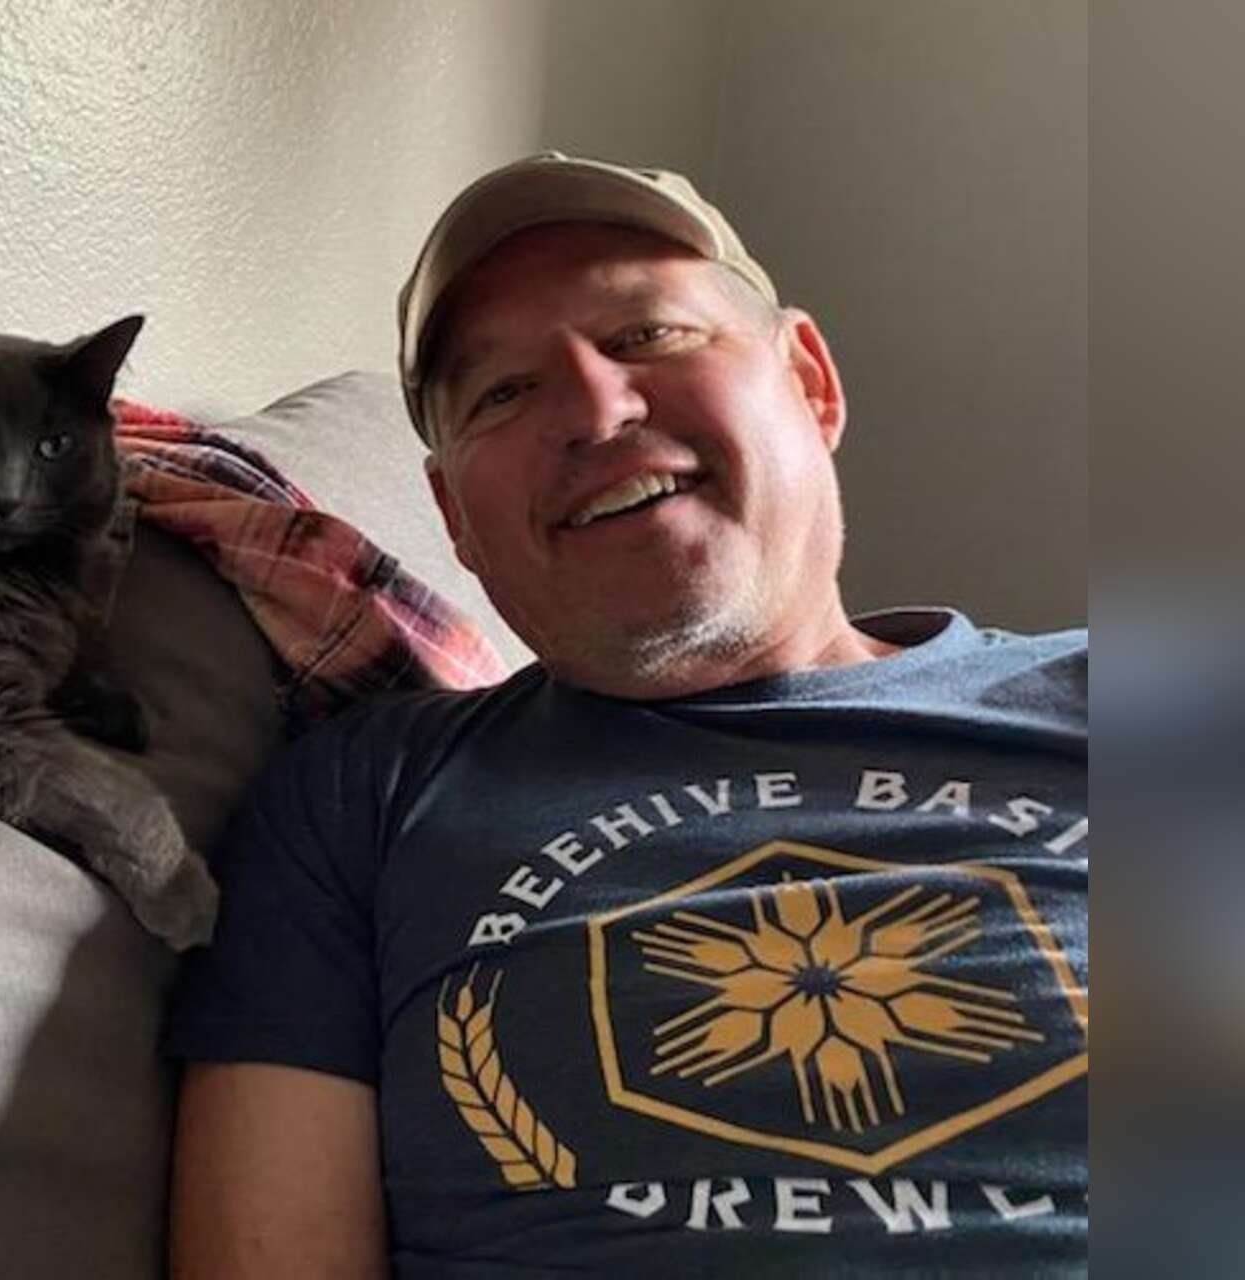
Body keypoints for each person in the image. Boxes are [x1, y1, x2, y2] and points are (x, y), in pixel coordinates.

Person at [162, 153, 1088, 1277]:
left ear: (810, 382)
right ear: (452, 517)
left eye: (649, 335)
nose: (597, 408)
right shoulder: (362, 796)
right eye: (503, 393)